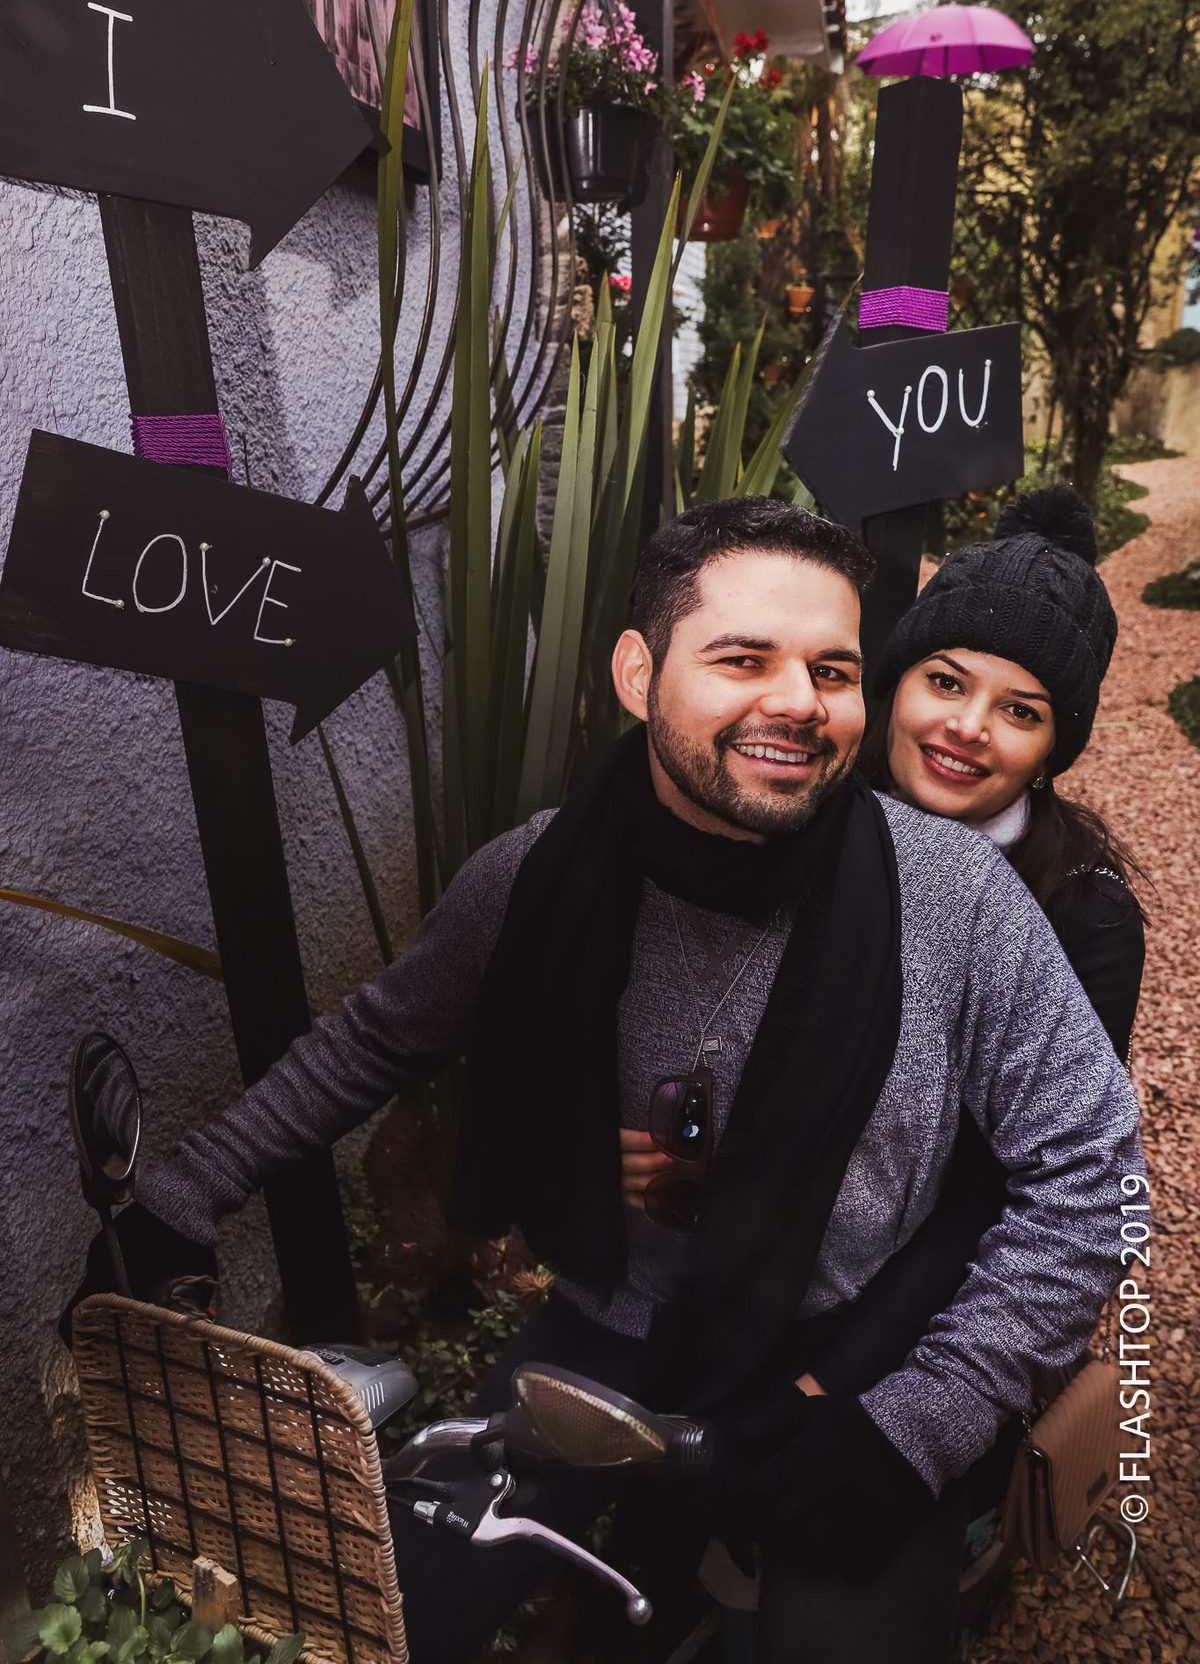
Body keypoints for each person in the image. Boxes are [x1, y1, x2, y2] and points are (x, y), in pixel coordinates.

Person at [69, 498, 1143, 1664]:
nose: (797, 700)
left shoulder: (951, 898)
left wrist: (919, 1422)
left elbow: (1090, 1172)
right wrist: (184, 1197)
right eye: (744, 658)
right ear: (639, 673)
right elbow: (374, 1041)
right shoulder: (535, 877)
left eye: (831, 670)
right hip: (611, 1326)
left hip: (855, 1350)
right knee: (397, 1617)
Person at [790, 485, 1145, 1417]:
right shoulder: (801, 820)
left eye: (1020, 711)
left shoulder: (1085, 916)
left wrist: (837, 1382)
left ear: (1055, 747)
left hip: (934, 1314)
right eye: (945, 683)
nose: (968, 728)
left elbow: (1018, 1188)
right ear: (895, 682)